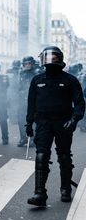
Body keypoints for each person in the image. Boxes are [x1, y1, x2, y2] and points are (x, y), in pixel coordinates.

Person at [26, 46, 85, 207]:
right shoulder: (37, 80)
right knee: (41, 156)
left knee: (64, 156)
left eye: (53, 57)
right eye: (48, 57)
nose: (50, 60)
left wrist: (74, 120)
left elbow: (80, 104)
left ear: (60, 59)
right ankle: (40, 193)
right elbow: (31, 103)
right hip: (43, 123)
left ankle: (65, 188)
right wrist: (29, 122)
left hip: (63, 123)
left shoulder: (70, 80)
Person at [17, 56, 39, 147]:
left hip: (34, 100)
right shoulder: (22, 73)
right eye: (25, 64)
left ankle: (34, 139)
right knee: (21, 120)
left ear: (32, 63)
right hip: (23, 100)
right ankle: (23, 138)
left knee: (34, 120)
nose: (27, 65)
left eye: (29, 63)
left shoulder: (37, 73)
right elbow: (19, 86)